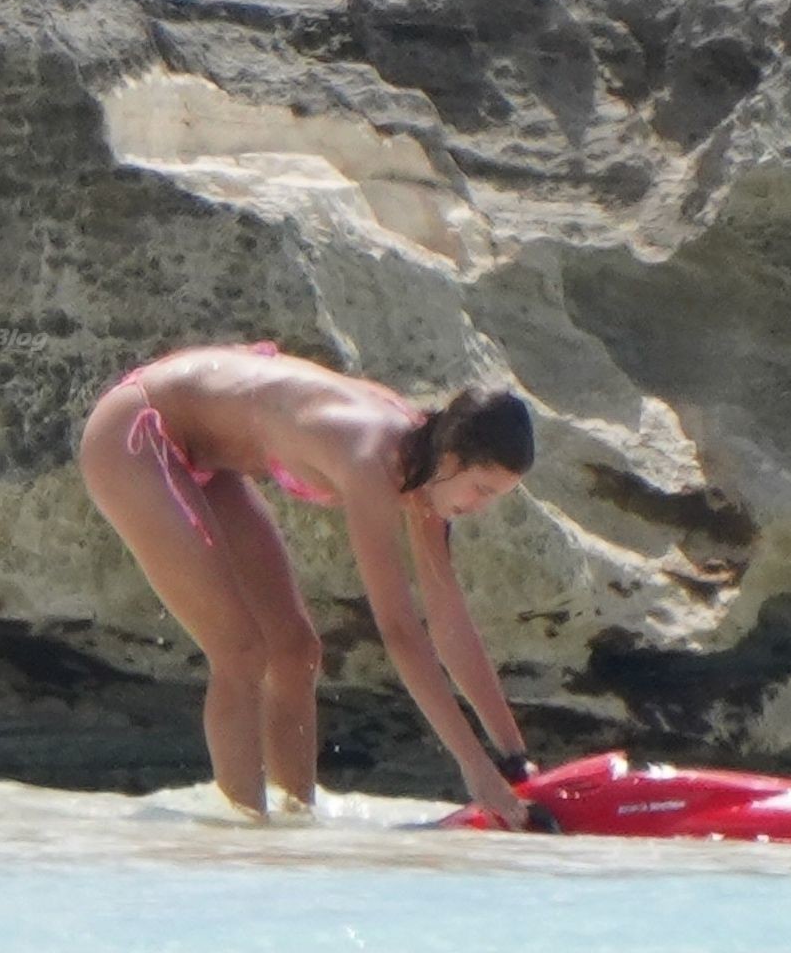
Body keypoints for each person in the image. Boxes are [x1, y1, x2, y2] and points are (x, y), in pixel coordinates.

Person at [78, 341, 539, 826]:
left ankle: (296, 827)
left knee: (296, 652)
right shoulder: (372, 457)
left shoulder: (429, 476)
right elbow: (401, 630)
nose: (481, 506)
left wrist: (513, 758)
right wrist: (474, 767)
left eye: (496, 496)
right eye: (482, 489)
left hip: (208, 455)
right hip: (139, 434)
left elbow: (450, 622)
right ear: (451, 457)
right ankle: (244, 836)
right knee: (241, 652)